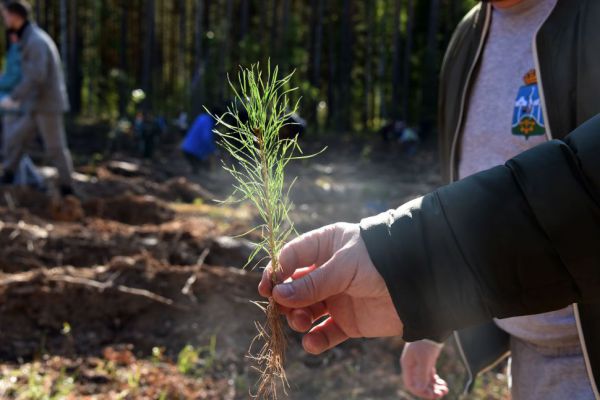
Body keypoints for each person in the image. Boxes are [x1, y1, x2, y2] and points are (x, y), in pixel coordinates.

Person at [259, 0, 600, 398]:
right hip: (531, 361)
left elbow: (582, 188)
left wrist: (410, 264)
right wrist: (432, 313)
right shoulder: (470, 36)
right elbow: (469, 186)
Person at [0, 0, 74, 197]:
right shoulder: (27, 38)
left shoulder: (36, 41)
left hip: (47, 105)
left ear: (16, 16)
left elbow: (36, 76)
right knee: (17, 137)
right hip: (35, 104)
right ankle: (7, 175)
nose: (3, 18)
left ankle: (68, 189)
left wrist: (14, 98)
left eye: (5, 14)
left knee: (55, 148)